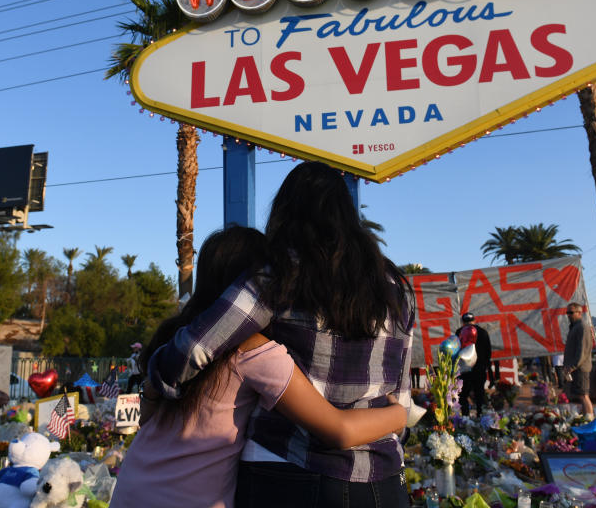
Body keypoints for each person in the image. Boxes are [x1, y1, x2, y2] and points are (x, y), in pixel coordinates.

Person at [147, 162, 414, 508]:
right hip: (383, 482)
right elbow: (402, 400)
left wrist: (157, 381)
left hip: (285, 471)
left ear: (286, 212)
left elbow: (196, 347)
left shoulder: (278, 275)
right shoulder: (396, 288)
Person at [563, 303, 595, 418]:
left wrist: (573, 365)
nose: (568, 315)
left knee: (583, 395)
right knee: (579, 395)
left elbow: (583, 349)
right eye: (567, 313)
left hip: (580, 367)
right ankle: (586, 416)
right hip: (575, 367)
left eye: (571, 313)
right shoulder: (574, 327)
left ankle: (590, 419)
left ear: (579, 313)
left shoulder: (582, 327)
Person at [457, 312, 492, 417]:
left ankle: (465, 416)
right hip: (479, 369)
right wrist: (484, 365)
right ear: (474, 320)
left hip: (465, 369)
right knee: (479, 394)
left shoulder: (459, 332)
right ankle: (480, 415)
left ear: (463, 322)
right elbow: (488, 352)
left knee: (463, 395)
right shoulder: (483, 332)